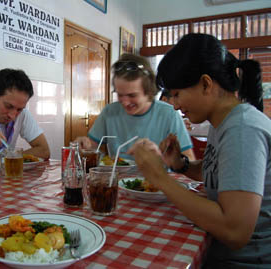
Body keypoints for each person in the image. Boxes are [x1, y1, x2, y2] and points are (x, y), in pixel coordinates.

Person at [127, 33, 270, 267]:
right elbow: (222, 175)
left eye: (177, 94)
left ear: (206, 84)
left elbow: (235, 232)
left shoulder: (243, 129)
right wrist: (180, 164)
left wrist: (159, 177)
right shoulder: (224, 121)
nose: (173, 104)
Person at [76, 53, 195, 161]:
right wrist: (83, 145)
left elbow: (190, 160)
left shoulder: (169, 114)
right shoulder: (110, 112)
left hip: (157, 182)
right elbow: (91, 147)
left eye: (132, 95)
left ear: (148, 91)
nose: (125, 102)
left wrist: (160, 156)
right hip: (116, 180)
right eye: (120, 95)